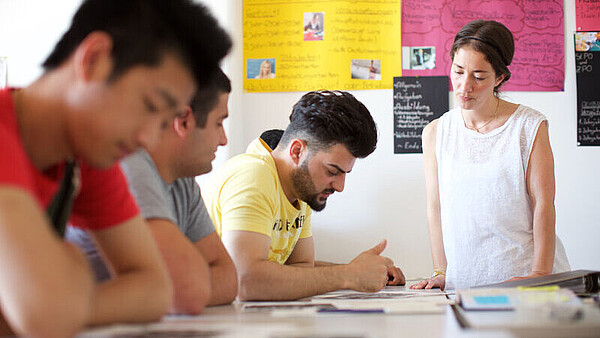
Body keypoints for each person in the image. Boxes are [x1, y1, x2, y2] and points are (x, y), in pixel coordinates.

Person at [0, 0, 231, 336]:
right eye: (150, 106)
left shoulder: (82, 159)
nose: (149, 137)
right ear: (93, 59)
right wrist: (55, 297)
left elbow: (156, 290)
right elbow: (44, 316)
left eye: (165, 120)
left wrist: (66, 293)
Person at [411, 20, 569, 291]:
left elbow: (543, 203)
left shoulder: (528, 126)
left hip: (523, 278)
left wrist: (540, 273)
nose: (464, 86)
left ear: (500, 78)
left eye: (479, 76)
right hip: (465, 282)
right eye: (458, 72)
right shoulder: (437, 132)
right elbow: (436, 208)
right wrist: (441, 271)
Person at [204, 90, 405, 301]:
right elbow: (244, 281)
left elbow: (300, 268)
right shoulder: (254, 175)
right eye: (332, 171)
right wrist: (349, 275)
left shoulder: (302, 191)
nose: (340, 186)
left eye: (345, 174)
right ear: (297, 151)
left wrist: (363, 271)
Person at [67, 69, 237, 314]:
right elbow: (187, 291)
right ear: (184, 122)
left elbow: (228, 278)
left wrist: (163, 291)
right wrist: (174, 289)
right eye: (219, 123)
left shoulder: (183, 182)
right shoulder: (129, 163)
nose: (223, 140)